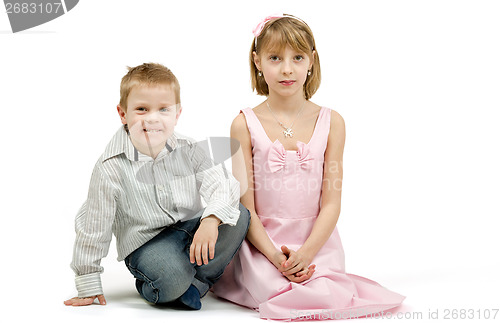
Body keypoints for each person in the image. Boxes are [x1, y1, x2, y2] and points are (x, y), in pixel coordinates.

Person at [211, 15, 405, 320]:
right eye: (275, 58)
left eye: (297, 57)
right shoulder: (243, 124)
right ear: (257, 61)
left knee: (325, 290)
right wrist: (276, 256)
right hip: (263, 243)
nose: (287, 68)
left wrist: (307, 253)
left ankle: (313, 269)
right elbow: (244, 207)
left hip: (317, 242)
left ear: (311, 60)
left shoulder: (333, 122)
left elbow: (331, 202)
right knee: (275, 291)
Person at [64, 63, 250, 310]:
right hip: (147, 244)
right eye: (141, 109)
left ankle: (198, 282)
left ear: (177, 114)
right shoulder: (110, 166)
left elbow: (223, 184)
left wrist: (210, 219)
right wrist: (87, 280)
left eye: (163, 109)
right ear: (123, 114)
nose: (152, 118)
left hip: (190, 229)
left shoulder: (189, 149)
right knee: (171, 277)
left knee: (238, 214)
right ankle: (157, 283)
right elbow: (94, 226)